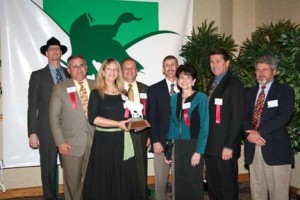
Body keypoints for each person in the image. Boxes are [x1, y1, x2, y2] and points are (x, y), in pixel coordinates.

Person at [82, 58, 141, 200]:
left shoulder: (123, 93)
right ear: (102, 71)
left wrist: (134, 124)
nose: (112, 72)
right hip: (104, 143)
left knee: (122, 177)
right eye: (109, 69)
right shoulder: (96, 93)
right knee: (104, 177)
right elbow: (93, 119)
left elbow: (127, 115)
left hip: (122, 141)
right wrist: (117, 123)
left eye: (115, 69)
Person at [243, 56, 295, 200]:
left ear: (274, 71)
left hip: (276, 149)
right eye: (258, 70)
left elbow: (283, 117)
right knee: (257, 190)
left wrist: (259, 133)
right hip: (253, 147)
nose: (260, 73)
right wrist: (251, 134)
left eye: (265, 70)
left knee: (278, 194)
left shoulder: (285, 91)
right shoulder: (249, 93)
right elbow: (242, 117)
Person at [27, 37, 70, 200]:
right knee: (48, 168)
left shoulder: (70, 73)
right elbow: (32, 106)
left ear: (61, 52)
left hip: (69, 128)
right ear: (46, 53)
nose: (55, 51)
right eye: (51, 49)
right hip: (46, 130)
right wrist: (32, 132)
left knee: (71, 167)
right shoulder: (38, 76)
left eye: (57, 48)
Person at [49, 55, 95, 200]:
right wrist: (60, 142)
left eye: (81, 65)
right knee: (73, 185)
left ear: (86, 67)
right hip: (71, 144)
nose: (79, 69)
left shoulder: (97, 85)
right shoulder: (60, 88)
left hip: (95, 142)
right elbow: (54, 118)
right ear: (68, 70)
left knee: (92, 182)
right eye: (74, 66)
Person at [205, 48, 245, 200]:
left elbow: (237, 119)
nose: (214, 65)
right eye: (212, 62)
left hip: (224, 147)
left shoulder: (234, 85)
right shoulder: (212, 83)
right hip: (211, 145)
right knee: (214, 185)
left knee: (227, 186)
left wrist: (229, 146)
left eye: (218, 61)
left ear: (227, 63)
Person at [165, 64, 209, 200]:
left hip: (193, 145)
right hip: (178, 146)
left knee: (193, 182)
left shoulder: (201, 97)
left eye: (188, 77)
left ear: (194, 81)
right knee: (179, 182)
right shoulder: (174, 98)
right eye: (181, 77)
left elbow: (205, 126)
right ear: (177, 80)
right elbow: (173, 124)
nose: (184, 80)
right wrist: (168, 148)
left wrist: (199, 151)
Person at [148, 55, 179, 200]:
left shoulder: (187, 86)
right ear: (163, 70)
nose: (170, 67)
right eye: (167, 65)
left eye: (173, 64)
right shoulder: (154, 89)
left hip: (181, 141)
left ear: (177, 67)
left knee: (179, 180)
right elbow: (151, 117)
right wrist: (155, 140)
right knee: (160, 181)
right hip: (161, 141)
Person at [121, 57, 150, 200]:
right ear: (121, 71)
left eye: (132, 68)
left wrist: (150, 135)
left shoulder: (146, 89)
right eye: (126, 68)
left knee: (140, 168)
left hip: (141, 135)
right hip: (122, 134)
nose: (129, 71)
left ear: (136, 71)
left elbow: (151, 114)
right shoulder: (115, 89)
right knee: (123, 169)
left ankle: (142, 196)